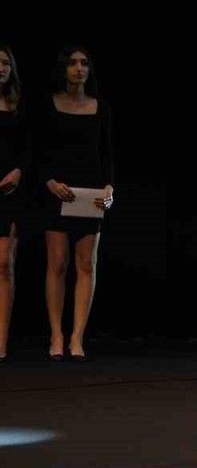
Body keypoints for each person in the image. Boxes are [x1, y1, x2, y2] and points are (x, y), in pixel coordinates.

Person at [36, 46, 114, 361]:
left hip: (89, 195)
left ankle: (77, 336)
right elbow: (37, 151)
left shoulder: (100, 107)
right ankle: (56, 334)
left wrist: (109, 189)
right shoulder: (49, 104)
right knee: (57, 264)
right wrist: (49, 182)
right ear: (63, 68)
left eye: (84, 63)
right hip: (57, 192)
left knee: (86, 265)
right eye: (72, 63)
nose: (79, 68)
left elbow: (107, 154)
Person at [0, 44, 29, 362]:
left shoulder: (18, 104)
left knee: (4, 265)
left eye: (6, 62)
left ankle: (1, 340)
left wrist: (19, 171)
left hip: (9, 191)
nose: (2, 67)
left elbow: (31, 148)